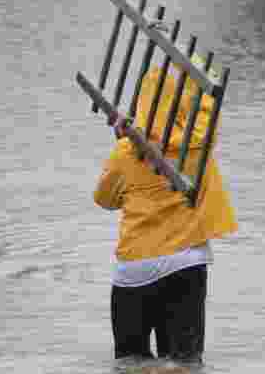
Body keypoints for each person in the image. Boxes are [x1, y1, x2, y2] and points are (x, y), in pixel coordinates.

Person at [95, 56, 238, 363]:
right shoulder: (199, 146)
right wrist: (191, 57)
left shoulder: (125, 151)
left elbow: (104, 199)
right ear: (184, 104)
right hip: (184, 263)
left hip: (135, 269)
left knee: (131, 362)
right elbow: (210, 99)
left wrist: (126, 149)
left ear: (141, 103)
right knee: (184, 362)